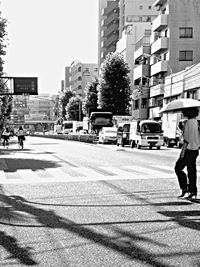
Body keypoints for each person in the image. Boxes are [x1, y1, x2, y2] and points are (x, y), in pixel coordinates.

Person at [175, 107, 200, 199]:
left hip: (188, 150)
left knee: (178, 168)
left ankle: (185, 188)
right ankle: (193, 191)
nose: (182, 112)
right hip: (195, 150)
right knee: (191, 170)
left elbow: (187, 139)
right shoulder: (196, 122)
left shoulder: (188, 123)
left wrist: (182, 152)